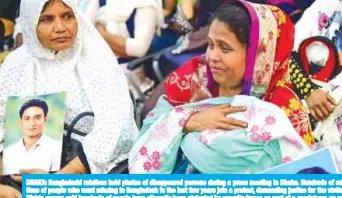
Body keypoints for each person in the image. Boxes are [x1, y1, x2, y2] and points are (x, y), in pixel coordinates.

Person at [128, 1, 313, 174]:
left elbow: (303, 175)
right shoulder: (193, 78)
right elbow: (147, 136)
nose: (212, 57)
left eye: (225, 48)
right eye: (210, 45)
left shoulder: (284, 105)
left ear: (258, 55)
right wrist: (188, 122)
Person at [0, 0, 138, 178]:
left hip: (89, 167)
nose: (60, 27)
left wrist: (58, 180)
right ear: (30, 21)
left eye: (67, 16)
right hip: (23, 169)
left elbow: (115, 127)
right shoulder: (16, 63)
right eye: (47, 19)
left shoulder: (96, 58)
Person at [2, 99, 62, 175]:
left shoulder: (57, 148)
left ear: (45, 120)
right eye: (27, 118)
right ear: (21, 122)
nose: (32, 124)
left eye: (37, 118)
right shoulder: (8, 152)